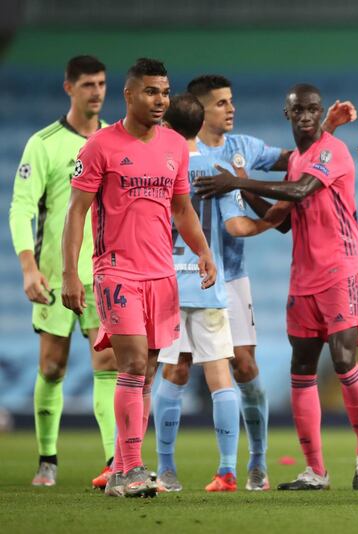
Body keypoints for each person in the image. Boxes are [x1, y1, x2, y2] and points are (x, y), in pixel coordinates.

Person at [195, 83, 358, 491]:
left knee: (344, 360)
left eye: (314, 109)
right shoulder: (296, 160)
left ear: (319, 112)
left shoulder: (333, 151)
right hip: (304, 275)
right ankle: (315, 470)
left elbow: (301, 190)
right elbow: (287, 219)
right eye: (299, 111)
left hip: (342, 268)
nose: (307, 116)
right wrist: (240, 184)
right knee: (301, 370)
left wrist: (240, 183)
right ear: (288, 115)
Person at [62, 58, 216, 498]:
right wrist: (71, 273)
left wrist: (203, 252)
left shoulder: (173, 145)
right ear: (128, 95)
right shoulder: (100, 146)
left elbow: (182, 208)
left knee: (146, 372)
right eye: (151, 92)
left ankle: (121, 473)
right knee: (129, 365)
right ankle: (129, 468)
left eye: (165, 93)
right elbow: (77, 212)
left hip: (161, 272)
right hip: (116, 271)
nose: (160, 100)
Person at [153, 92, 282, 493]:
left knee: (172, 374)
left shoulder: (159, 167)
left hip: (168, 284)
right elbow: (235, 228)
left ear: (168, 127)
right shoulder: (217, 167)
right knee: (221, 376)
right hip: (210, 283)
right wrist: (274, 219)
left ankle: (167, 470)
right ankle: (227, 470)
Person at [9, 55, 118, 489]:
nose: (97, 91)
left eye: (103, 83)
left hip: (103, 275)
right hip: (55, 275)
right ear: (69, 88)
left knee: (106, 363)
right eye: (88, 84)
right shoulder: (44, 143)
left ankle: (115, 460)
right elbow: (21, 209)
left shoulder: (115, 140)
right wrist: (28, 267)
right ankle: (47, 459)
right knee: (53, 368)